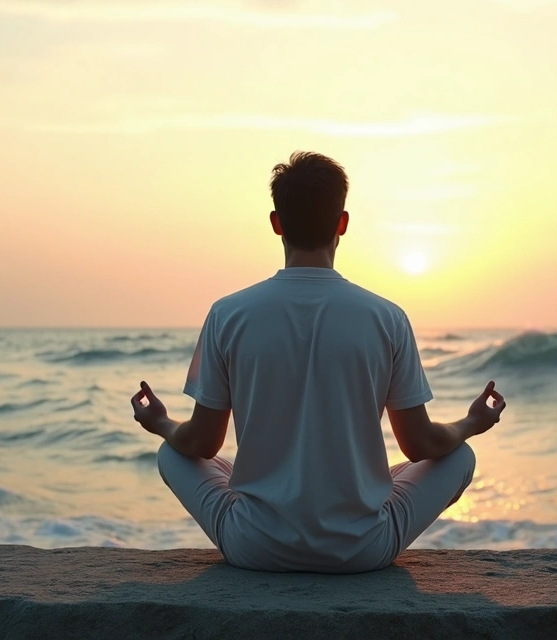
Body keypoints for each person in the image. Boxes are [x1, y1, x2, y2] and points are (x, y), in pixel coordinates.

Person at [130, 151, 506, 573]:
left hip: (254, 548)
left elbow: (202, 444)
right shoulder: (386, 317)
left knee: (172, 453)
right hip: (362, 551)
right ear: (342, 223)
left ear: (276, 223)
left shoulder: (228, 314)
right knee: (459, 456)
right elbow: (420, 445)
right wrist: (471, 424)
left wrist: (160, 423)